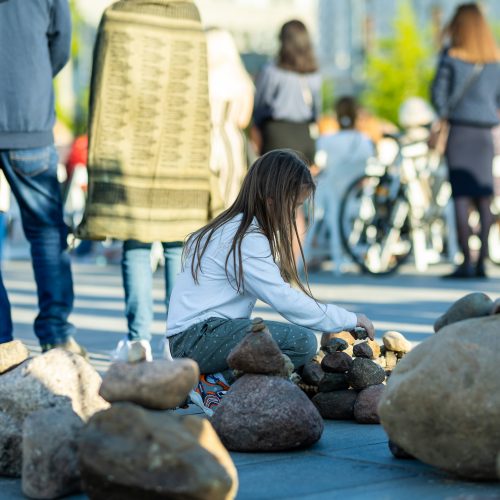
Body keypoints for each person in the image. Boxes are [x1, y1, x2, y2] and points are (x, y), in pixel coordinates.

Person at [166, 150, 375, 392]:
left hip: (195, 339)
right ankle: (211, 383)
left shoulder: (234, 226)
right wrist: (347, 319)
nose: (293, 215)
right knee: (302, 342)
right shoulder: (246, 238)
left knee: (283, 344)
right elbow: (283, 299)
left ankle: (209, 381)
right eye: (294, 205)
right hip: (197, 340)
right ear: (271, 199)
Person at [78, 0, 215, 360]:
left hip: (128, 148)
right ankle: (175, 341)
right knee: (175, 245)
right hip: (181, 147)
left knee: (136, 244)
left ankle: (138, 340)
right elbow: (200, 93)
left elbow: (104, 88)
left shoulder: (118, 15)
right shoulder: (189, 15)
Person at [0, 0, 84, 355]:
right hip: (28, 119)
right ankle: (56, 334)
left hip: (27, 117)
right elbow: (61, 43)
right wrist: (30, 79)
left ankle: (2, 340)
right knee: (46, 231)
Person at [431, 2, 500, 279]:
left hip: (459, 131)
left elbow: (438, 95)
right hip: (484, 133)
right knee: (484, 197)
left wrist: (447, 110)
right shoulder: (495, 60)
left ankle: (465, 262)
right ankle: (482, 261)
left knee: (460, 196)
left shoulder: (451, 56)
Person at [312, 97, 375, 273]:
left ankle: (314, 252)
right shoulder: (364, 140)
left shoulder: (326, 140)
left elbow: (318, 164)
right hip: (355, 200)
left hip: (332, 200)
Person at [252, 20, 321, 164]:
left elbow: (259, 106)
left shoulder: (271, 71)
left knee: (274, 182)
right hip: (304, 135)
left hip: (276, 135)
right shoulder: (313, 74)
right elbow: (316, 111)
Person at [206, 28, 254, 209]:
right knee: (229, 203)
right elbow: (244, 120)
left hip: (206, 143)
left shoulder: (202, 78)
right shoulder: (242, 80)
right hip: (232, 145)